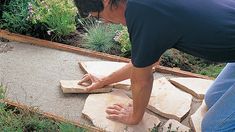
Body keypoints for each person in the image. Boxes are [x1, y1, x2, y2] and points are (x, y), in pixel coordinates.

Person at [74, 0, 235, 131]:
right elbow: (144, 62)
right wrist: (105, 80)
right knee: (212, 99)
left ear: (106, 1)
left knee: (215, 127)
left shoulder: (142, 14)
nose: (106, 23)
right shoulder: (142, 6)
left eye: (99, 17)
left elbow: (142, 80)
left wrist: (135, 116)